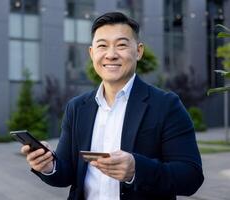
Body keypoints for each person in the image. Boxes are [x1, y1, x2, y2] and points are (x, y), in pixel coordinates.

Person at [21, 12, 204, 200]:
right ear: (92, 53)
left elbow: (191, 177)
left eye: (121, 45)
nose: (111, 54)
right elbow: (66, 173)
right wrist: (48, 166)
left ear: (139, 51)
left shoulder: (166, 105)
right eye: (102, 46)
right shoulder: (76, 108)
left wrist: (136, 169)